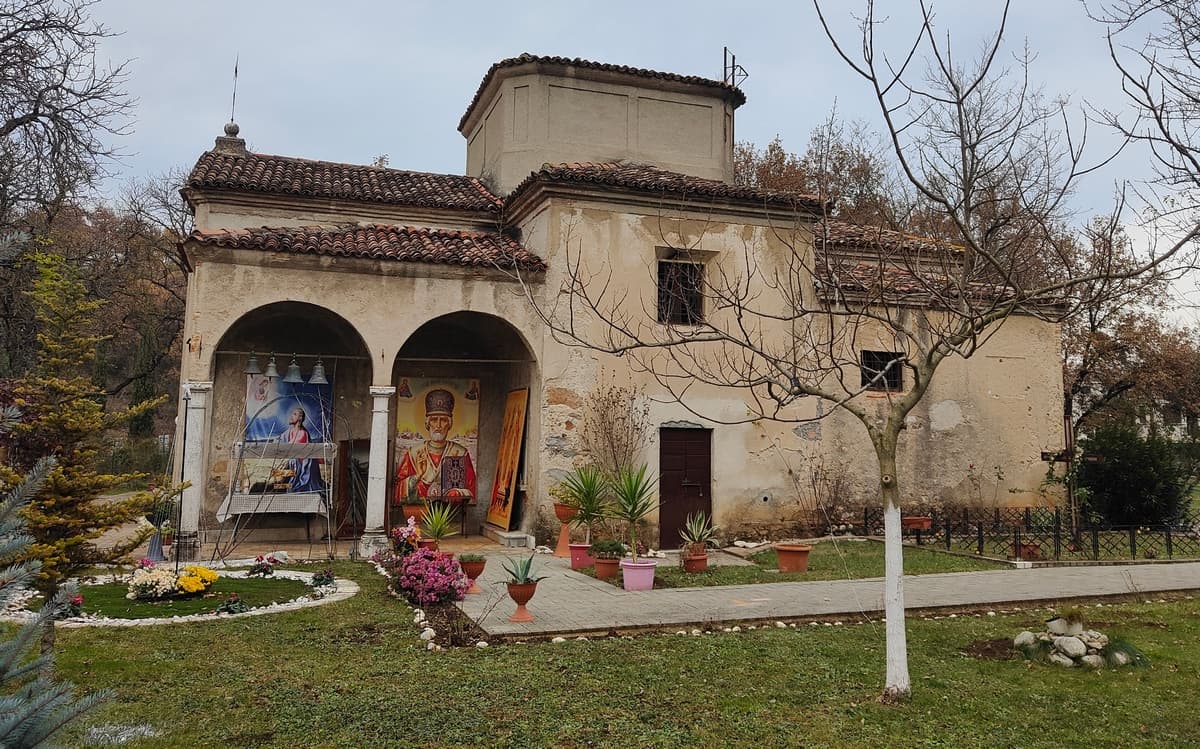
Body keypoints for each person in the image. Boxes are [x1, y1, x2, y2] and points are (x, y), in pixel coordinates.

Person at [394, 389, 476, 502]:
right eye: (433, 420)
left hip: (450, 512)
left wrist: (456, 493)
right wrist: (417, 476)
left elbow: (472, 489)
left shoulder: (460, 452)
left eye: (443, 420)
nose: (438, 425)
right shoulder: (414, 453)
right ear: (427, 423)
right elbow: (398, 491)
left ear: (450, 424)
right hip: (419, 513)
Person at [285, 407, 324, 493]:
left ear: (300, 418)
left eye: (294, 414)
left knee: (296, 488)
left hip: (304, 468)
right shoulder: (291, 432)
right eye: (292, 414)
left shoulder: (303, 433)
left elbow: (292, 446)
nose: (291, 416)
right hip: (295, 466)